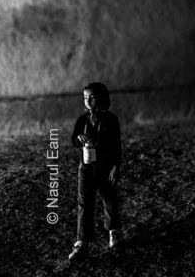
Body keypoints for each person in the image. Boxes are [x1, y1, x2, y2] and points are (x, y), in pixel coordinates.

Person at [68, 82, 122, 261]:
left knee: (109, 199)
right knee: (84, 202)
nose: (87, 100)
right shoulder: (82, 120)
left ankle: (113, 231)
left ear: (102, 98)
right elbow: (74, 139)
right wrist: (78, 138)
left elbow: (116, 145)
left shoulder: (111, 120)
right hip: (86, 166)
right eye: (85, 97)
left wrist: (116, 167)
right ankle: (82, 242)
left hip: (105, 167)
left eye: (92, 97)